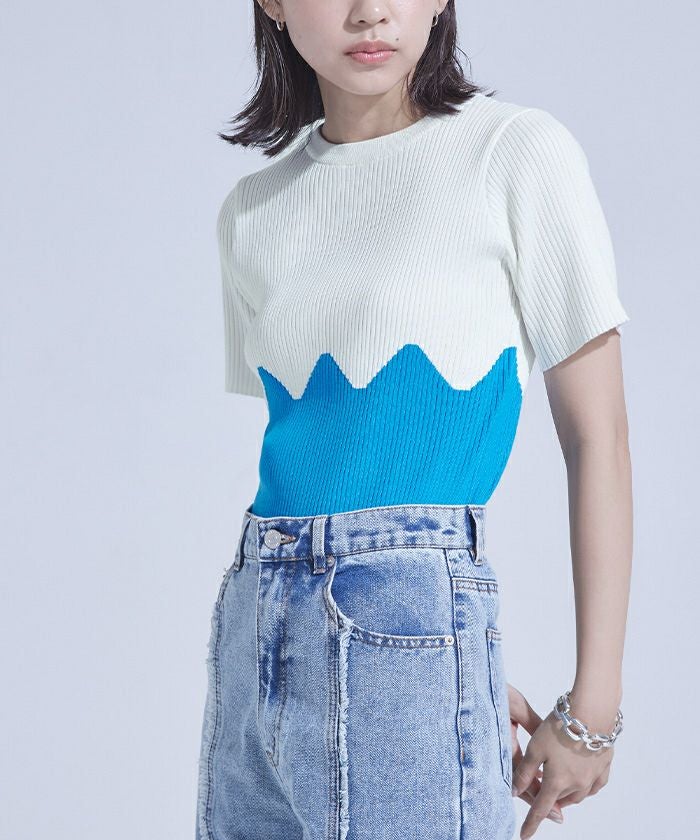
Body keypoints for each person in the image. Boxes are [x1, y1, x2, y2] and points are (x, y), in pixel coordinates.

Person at [195, 3, 633, 840]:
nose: (371, 11)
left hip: (408, 615)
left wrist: (591, 712)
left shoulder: (512, 151)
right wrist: (435, 660)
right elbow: (315, 450)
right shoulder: (253, 209)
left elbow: (599, 440)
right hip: (258, 622)